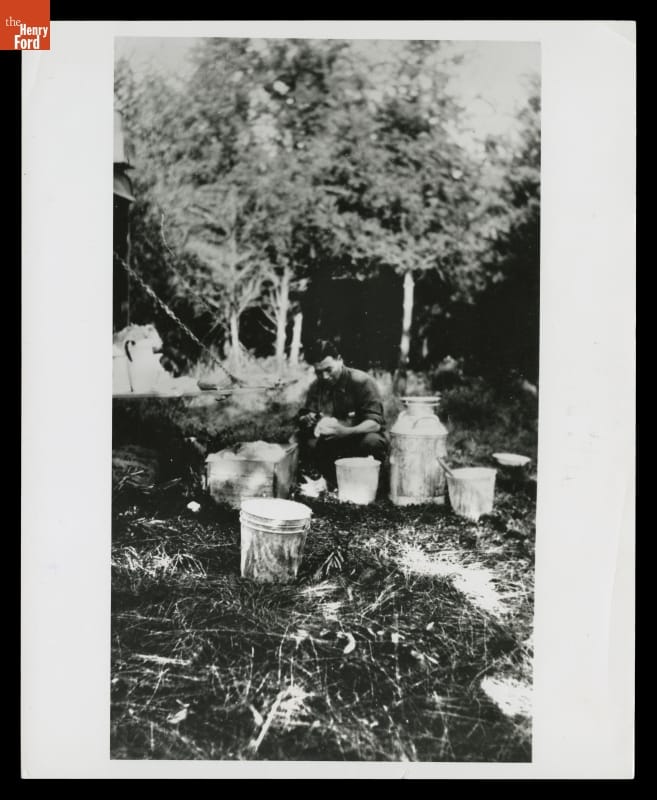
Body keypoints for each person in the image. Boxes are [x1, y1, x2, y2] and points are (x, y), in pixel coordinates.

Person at [297, 340, 389, 487]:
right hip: (333, 443)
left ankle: (372, 483)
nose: (325, 376)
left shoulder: (362, 382)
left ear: (340, 360)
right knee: (301, 439)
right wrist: (307, 419)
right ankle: (325, 479)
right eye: (319, 372)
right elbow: (307, 414)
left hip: (358, 441)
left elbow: (375, 423)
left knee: (372, 441)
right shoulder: (316, 386)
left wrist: (346, 431)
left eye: (329, 370)